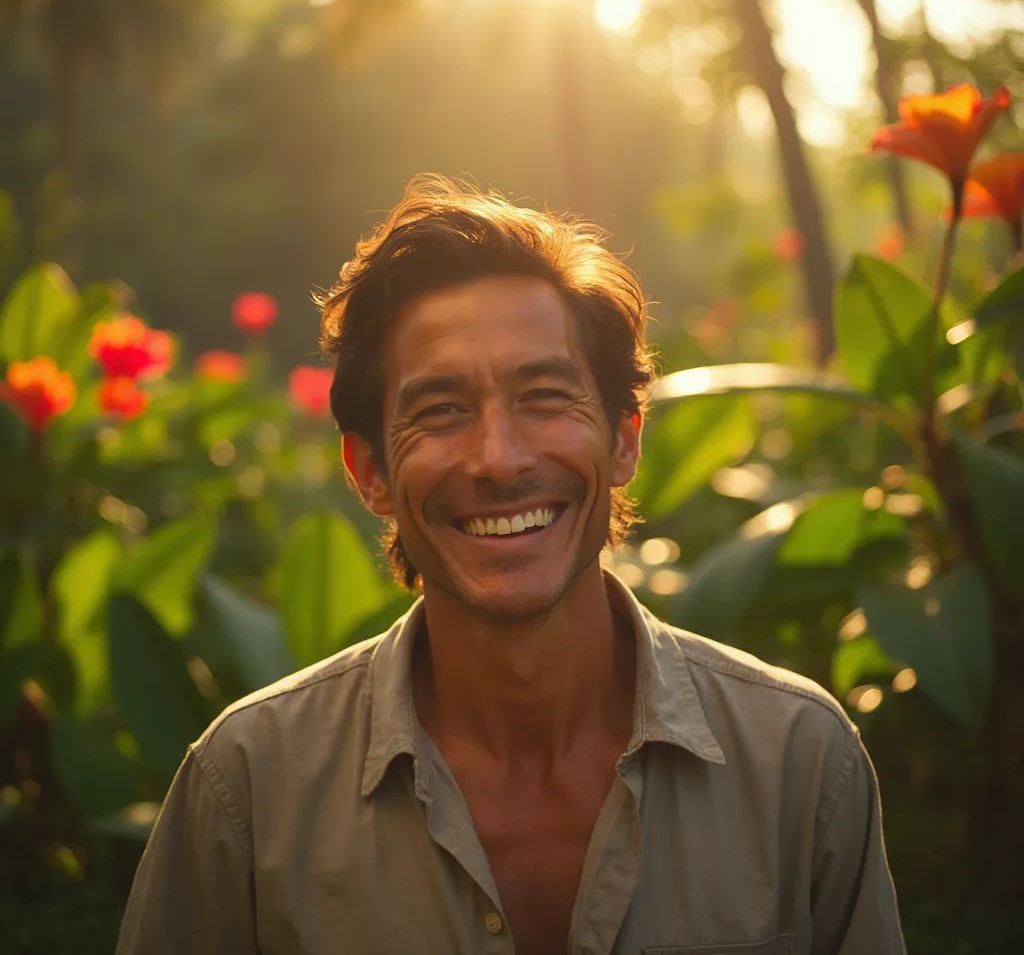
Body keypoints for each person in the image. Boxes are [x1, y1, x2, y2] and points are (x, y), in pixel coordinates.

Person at [117, 176, 906, 954]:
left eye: (545, 396)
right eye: (441, 410)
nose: (498, 459)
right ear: (370, 472)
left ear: (625, 438)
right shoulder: (250, 790)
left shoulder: (798, 764)